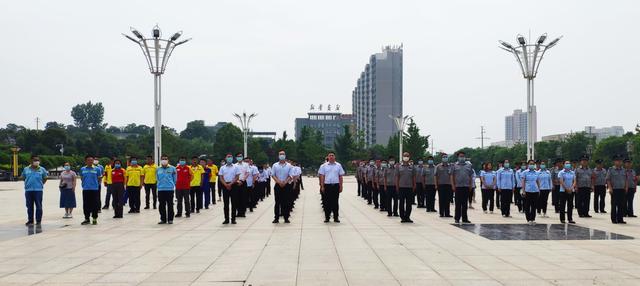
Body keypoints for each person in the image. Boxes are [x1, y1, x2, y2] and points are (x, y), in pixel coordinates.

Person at [319, 151, 345, 223]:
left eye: (332, 155)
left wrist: (341, 186)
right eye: (330, 155)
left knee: (335, 202)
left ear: (335, 157)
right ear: (328, 157)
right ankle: (327, 217)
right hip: (327, 186)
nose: (331, 157)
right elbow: (322, 176)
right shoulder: (323, 166)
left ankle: (336, 217)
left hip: (335, 185)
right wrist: (322, 186)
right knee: (327, 202)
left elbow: (340, 176)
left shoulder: (338, 165)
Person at [22, 155, 48, 226]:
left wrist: (41, 184)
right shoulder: (26, 169)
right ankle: (30, 220)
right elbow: (23, 177)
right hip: (28, 190)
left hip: (38, 190)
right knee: (29, 206)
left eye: (38, 160)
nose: (37, 162)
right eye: (35, 160)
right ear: (31, 161)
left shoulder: (42, 169)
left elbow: (45, 178)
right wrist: (27, 184)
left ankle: (38, 220)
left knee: (39, 206)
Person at [451, 151, 473, 224]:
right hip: (458, 187)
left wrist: (470, 185)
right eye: (460, 156)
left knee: (465, 204)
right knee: (458, 203)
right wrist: (453, 185)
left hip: (466, 186)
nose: (462, 158)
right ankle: (457, 218)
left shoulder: (469, 166)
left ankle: (465, 218)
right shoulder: (454, 165)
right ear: (458, 157)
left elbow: (470, 176)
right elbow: (452, 176)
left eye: (463, 156)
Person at [272, 150, 293, 223]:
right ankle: (276, 218)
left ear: (285, 155)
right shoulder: (275, 165)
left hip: (286, 186)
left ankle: (286, 217)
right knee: (277, 202)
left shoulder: (289, 165)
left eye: (283, 154)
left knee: (286, 202)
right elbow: (273, 175)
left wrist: (285, 182)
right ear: (278, 156)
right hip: (278, 185)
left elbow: (290, 176)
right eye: (280, 154)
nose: (282, 155)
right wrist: (279, 182)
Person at [80, 155, 101, 225]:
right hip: (86, 189)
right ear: (85, 161)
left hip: (94, 189)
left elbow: (99, 178)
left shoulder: (97, 169)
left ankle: (94, 218)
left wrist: (96, 185)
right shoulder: (83, 169)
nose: (90, 161)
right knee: (86, 204)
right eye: (88, 160)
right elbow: (82, 178)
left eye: (91, 160)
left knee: (95, 204)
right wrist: (84, 185)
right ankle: (87, 218)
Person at [219, 153, 240, 224]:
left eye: (231, 157)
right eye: (228, 157)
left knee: (234, 203)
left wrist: (230, 184)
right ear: (225, 158)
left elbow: (237, 177)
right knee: (226, 204)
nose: (229, 158)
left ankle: (233, 219)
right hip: (225, 185)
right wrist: (226, 184)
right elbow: (221, 177)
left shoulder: (236, 167)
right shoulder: (222, 167)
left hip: (233, 185)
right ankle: (226, 219)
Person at [156, 155, 177, 224]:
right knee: (161, 205)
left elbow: (175, 179)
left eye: (165, 159)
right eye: (163, 159)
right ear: (160, 160)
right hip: (161, 189)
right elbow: (157, 178)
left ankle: (170, 219)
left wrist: (172, 185)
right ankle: (163, 219)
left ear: (168, 160)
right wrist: (159, 186)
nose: (164, 160)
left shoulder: (173, 168)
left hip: (169, 189)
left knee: (170, 204)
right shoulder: (158, 169)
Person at [607, 156, 627, 224]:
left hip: (622, 189)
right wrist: (610, 188)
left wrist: (626, 187)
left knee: (621, 205)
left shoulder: (624, 170)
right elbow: (608, 179)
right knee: (614, 205)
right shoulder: (611, 169)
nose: (619, 162)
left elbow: (626, 179)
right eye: (617, 160)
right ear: (614, 162)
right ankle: (614, 219)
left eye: (620, 161)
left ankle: (620, 219)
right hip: (614, 189)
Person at [396, 152, 415, 223]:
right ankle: (402, 217)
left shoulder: (412, 167)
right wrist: (397, 186)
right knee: (401, 203)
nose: (406, 157)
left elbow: (413, 177)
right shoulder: (399, 166)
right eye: (405, 156)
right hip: (401, 187)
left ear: (409, 157)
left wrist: (414, 185)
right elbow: (397, 177)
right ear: (402, 157)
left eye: (407, 156)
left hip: (409, 187)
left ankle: (407, 217)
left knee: (409, 203)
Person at [521, 160, 540, 224]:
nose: (532, 165)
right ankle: (528, 219)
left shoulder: (536, 172)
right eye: (530, 164)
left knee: (534, 206)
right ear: (528, 165)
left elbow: (537, 181)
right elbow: (523, 182)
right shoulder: (525, 172)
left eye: (533, 164)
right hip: (527, 190)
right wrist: (523, 191)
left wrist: (539, 189)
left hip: (535, 190)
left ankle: (533, 218)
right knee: (527, 206)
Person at [435, 153, 453, 218]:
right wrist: (436, 185)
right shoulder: (438, 166)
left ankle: (447, 213)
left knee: (447, 200)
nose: (445, 158)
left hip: (448, 185)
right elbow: (435, 176)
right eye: (443, 157)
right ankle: (441, 213)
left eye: (446, 157)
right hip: (441, 185)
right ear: (441, 158)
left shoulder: (450, 166)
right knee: (441, 199)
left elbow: (452, 175)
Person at [234, 153, 250, 217]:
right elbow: (234, 175)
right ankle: (238, 212)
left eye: (240, 156)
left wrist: (242, 180)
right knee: (236, 198)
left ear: (242, 157)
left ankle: (243, 212)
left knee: (243, 197)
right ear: (236, 158)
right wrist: (237, 181)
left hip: (243, 182)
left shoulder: (246, 165)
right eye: (238, 156)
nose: (239, 157)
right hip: (236, 182)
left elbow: (247, 173)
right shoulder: (234, 165)